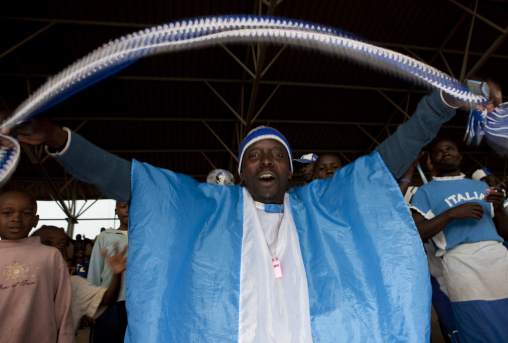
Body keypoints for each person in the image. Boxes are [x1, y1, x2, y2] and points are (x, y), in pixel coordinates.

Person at [1, 86, 501, 342]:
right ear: (240, 171)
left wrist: (438, 105)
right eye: (254, 155)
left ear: (290, 167)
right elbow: (126, 178)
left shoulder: (321, 207)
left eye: (276, 153)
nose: (266, 160)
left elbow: (389, 157)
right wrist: (60, 141)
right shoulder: (207, 207)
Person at [411, 138, 508, 342]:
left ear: (460, 156)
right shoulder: (424, 192)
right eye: (438, 151)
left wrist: (499, 210)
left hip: (498, 257)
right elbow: (418, 232)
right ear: (432, 162)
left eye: (450, 148)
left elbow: (505, 232)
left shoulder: (480, 187)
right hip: (461, 262)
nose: (445, 153)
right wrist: (451, 214)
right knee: (476, 323)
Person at [0, 191, 74, 342]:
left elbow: (63, 306)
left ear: (35, 220)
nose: (17, 218)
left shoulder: (50, 256)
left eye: (26, 213)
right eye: (7, 213)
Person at [31, 225, 128, 334]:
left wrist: (116, 273)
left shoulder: (73, 283)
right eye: (47, 243)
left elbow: (107, 298)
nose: (57, 247)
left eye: (62, 244)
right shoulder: (21, 281)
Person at [87, 201, 129, 343]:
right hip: (110, 301)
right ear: (116, 211)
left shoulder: (146, 236)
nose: (128, 211)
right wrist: (91, 304)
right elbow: (95, 269)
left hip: (138, 303)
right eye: (123, 207)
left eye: (133, 207)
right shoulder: (106, 236)